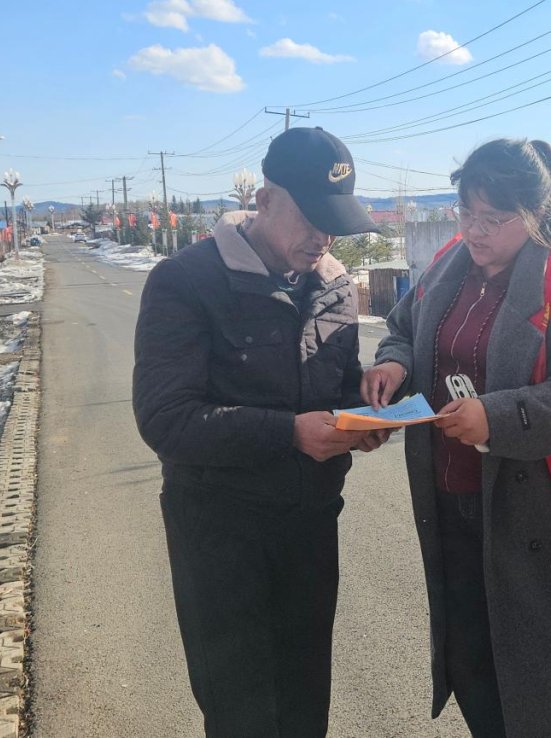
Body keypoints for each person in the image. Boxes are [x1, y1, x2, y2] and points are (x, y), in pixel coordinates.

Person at [361, 138, 551, 738]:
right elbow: (403, 328)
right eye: (466, 213)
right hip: (453, 499)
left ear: (535, 213)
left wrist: (495, 417)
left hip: (538, 509)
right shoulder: (448, 266)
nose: (475, 230)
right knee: (474, 659)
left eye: (493, 219)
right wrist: (394, 362)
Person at [132, 127, 390, 737]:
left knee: (305, 704)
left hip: (311, 525)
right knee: (241, 712)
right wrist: (289, 434)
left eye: (334, 224)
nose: (323, 238)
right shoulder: (186, 280)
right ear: (265, 200)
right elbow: (166, 418)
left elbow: (333, 385)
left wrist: (363, 414)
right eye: (310, 218)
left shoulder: (333, 285)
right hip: (221, 533)